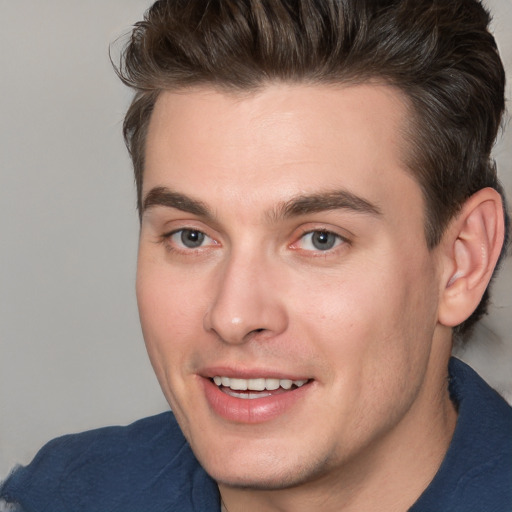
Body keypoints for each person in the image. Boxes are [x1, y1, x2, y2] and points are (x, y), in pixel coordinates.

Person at [1, 0, 511, 510]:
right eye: (192, 236)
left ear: (461, 262)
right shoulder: (67, 495)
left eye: (320, 239)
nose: (234, 316)